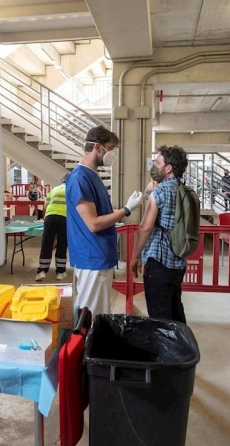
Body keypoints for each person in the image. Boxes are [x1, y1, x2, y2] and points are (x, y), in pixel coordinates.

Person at [66, 126, 142, 316]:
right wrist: (126, 209)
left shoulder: (93, 176)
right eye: (110, 148)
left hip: (99, 255)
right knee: (90, 317)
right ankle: (87, 346)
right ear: (97, 148)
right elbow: (93, 223)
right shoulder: (80, 178)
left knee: (98, 314)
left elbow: (100, 216)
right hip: (92, 257)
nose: (112, 154)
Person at [130, 145, 190, 323]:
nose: (154, 167)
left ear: (168, 168)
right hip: (178, 262)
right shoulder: (184, 190)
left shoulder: (161, 191)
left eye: (157, 163)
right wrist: (150, 191)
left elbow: (145, 228)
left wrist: (135, 256)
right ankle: (183, 347)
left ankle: (166, 350)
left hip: (159, 262)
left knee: (159, 318)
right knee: (175, 310)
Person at [36, 174, 68, 281]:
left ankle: (41, 271)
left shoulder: (54, 189)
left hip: (49, 217)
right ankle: (60, 272)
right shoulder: (72, 190)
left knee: (46, 243)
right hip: (64, 218)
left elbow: (45, 206)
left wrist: (46, 218)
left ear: (62, 180)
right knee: (62, 244)